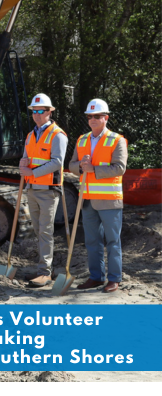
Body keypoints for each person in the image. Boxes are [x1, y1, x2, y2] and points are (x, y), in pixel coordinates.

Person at [69, 99, 127, 293]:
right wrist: (79, 166)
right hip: (86, 200)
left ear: (105, 118)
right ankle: (96, 277)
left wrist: (93, 169)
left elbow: (120, 168)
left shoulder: (117, 140)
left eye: (97, 116)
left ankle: (114, 278)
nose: (93, 119)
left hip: (109, 200)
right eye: (90, 116)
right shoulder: (82, 139)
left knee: (112, 241)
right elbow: (71, 165)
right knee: (92, 241)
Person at [19, 94, 68, 287]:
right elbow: (26, 159)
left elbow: (57, 162)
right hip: (32, 189)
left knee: (45, 231)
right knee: (39, 231)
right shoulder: (31, 135)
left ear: (49, 112)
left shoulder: (58, 135)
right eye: (34, 111)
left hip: (48, 190)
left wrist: (31, 172)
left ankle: (45, 273)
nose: (37, 115)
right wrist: (23, 166)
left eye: (41, 111)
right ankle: (43, 269)